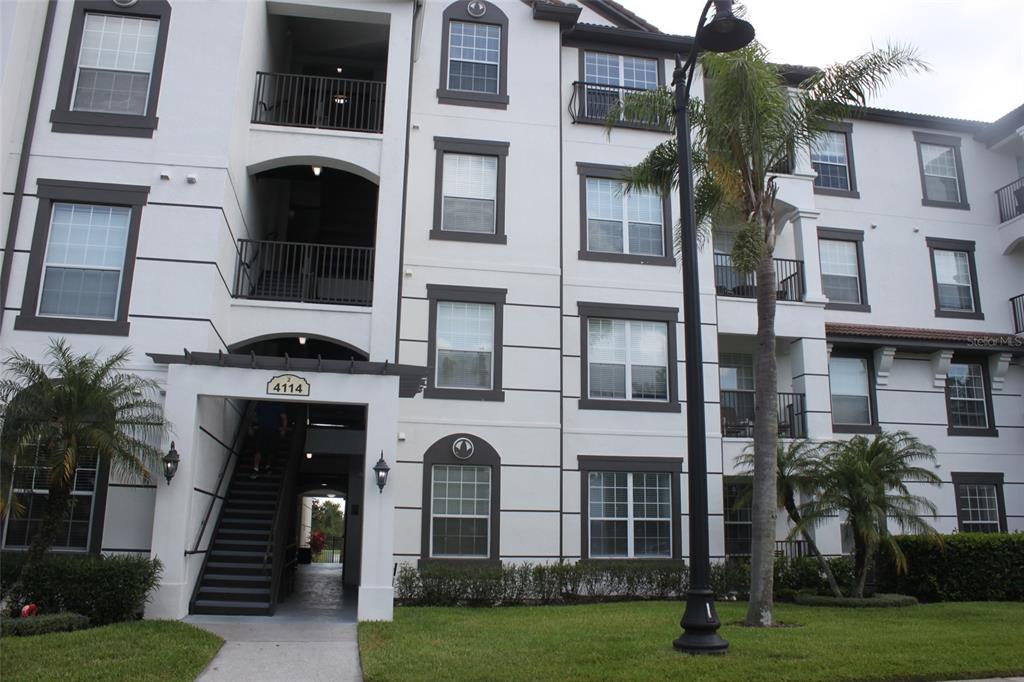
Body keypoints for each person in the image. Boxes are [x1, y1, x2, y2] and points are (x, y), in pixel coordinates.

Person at [248, 402, 289, 478]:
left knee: (272, 450)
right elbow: (253, 415)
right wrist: (250, 426)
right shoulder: (260, 404)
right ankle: (256, 468)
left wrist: (284, 429)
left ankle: (268, 466)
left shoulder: (278, 405)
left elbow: (284, 418)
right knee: (258, 449)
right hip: (262, 429)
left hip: (273, 430)